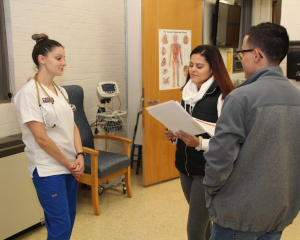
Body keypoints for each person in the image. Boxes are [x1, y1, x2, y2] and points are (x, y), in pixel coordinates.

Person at [203, 22, 300, 240]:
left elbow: (220, 159)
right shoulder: (297, 98)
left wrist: (211, 193)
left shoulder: (240, 98)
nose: (241, 58)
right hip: (278, 213)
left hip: (237, 216)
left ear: (256, 54)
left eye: (242, 53)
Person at [14, 33, 85, 240]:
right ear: (41, 59)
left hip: (70, 165)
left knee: (69, 218)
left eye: (64, 58)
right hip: (48, 168)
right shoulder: (28, 94)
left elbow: (72, 125)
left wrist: (79, 155)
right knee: (60, 225)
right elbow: (41, 138)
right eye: (59, 58)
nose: (64, 62)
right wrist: (68, 162)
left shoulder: (61, 91)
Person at [164, 45, 235, 240]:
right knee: (203, 220)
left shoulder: (223, 96)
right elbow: (186, 129)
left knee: (194, 230)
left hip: (207, 169)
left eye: (199, 66)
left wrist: (199, 143)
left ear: (213, 68)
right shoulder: (187, 93)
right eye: (191, 65)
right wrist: (174, 137)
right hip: (185, 166)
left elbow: (228, 141)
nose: (193, 69)